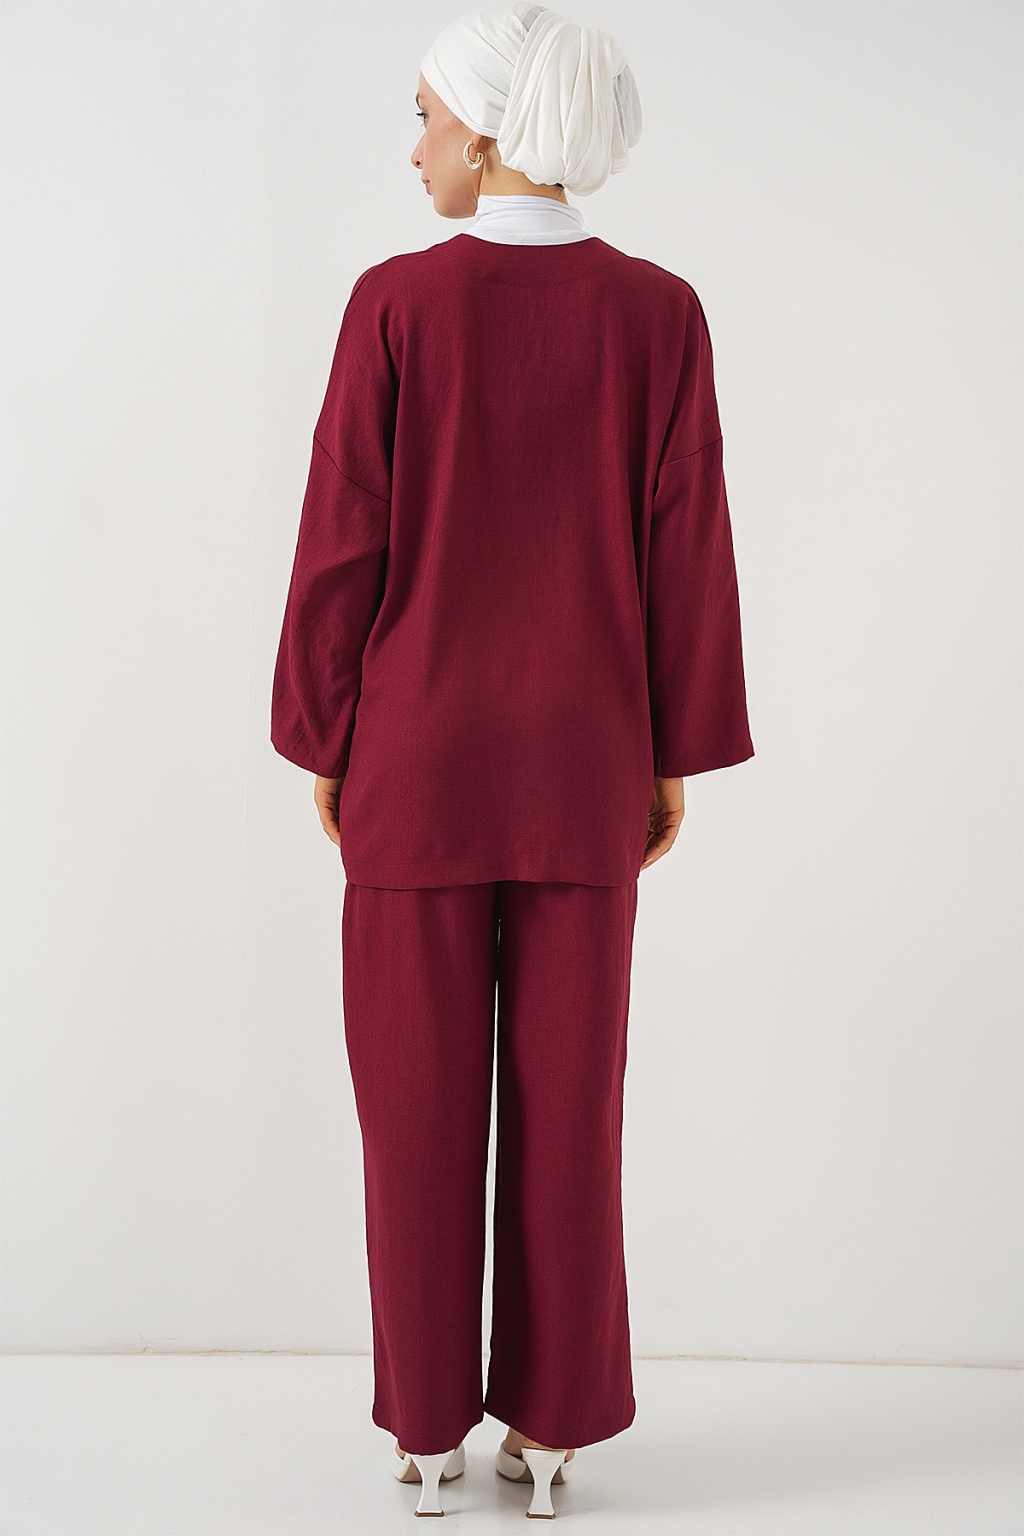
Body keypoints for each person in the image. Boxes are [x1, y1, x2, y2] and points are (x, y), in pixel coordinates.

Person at [271, 1, 754, 1518]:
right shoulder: (660, 315)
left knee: (413, 1113)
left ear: (486, 135)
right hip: (587, 764)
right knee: (571, 1115)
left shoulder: (396, 305)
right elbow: (686, 541)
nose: (412, 146)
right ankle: (550, 1433)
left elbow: (344, 532)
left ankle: (424, 1431)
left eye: (423, 117)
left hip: (416, 762)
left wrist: (325, 733)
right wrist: (673, 750)